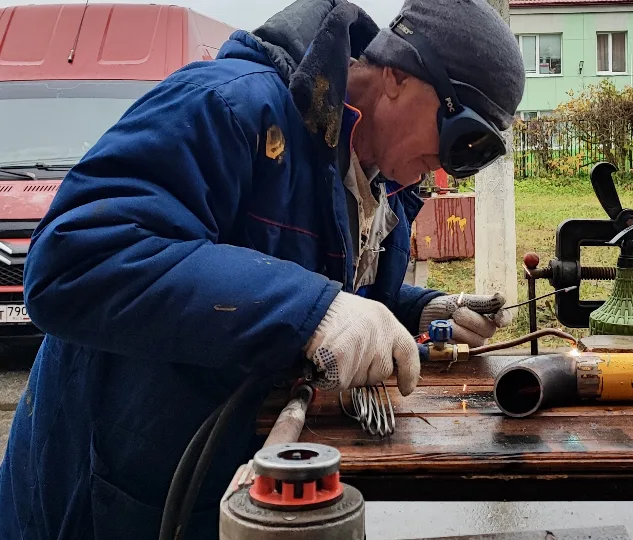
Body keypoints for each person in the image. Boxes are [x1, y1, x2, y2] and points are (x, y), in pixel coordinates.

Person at [0, 0, 525, 538]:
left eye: (477, 154)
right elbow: (72, 260)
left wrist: (418, 307)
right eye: (460, 135)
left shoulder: (376, 175)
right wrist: (314, 311)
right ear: (395, 75)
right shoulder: (230, 105)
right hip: (116, 489)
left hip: (231, 477)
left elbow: (310, 276)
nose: (451, 164)